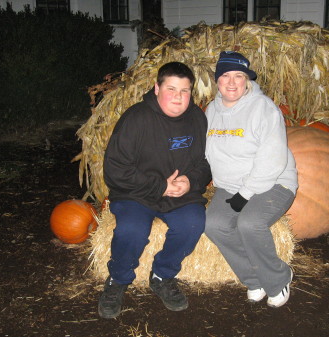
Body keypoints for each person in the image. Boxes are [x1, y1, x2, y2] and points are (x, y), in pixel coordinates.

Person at [99, 62, 211, 319]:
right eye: (171, 89)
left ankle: (162, 275)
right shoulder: (135, 118)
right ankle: (117, 280)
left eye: (185, 90)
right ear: (156, 88)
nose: (178, 97)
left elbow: (203, 164)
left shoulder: (197, 118)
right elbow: (115, 170)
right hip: (137, 193)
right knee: (132, 230)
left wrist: (190, 182)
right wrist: (160, 186)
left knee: (193, 223)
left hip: (180, 193)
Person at [204, 51, 298, 308]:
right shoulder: (211, 111)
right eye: (225, 75)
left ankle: (279, 278)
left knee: (249, 223)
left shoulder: (264, 108)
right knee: (213, 224)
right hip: (231, 186)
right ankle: (254, 279)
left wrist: (243, 196)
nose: (232, 82)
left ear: (247, 80)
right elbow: (202, 154)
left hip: (274, 182)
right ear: (217, 80)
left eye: (239, 76)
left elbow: (273, 160)